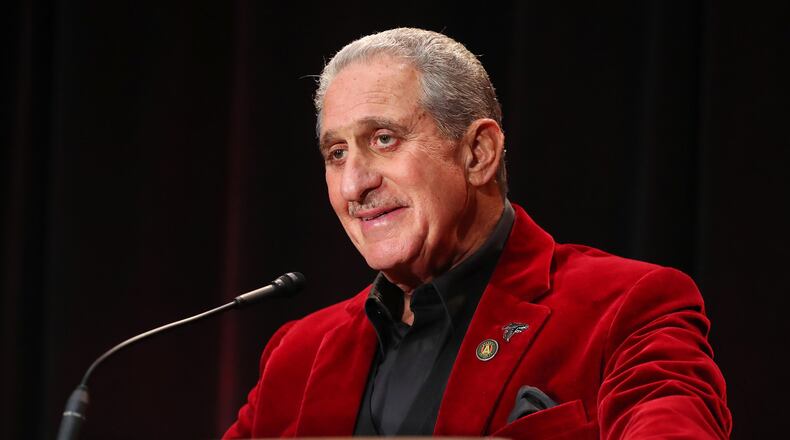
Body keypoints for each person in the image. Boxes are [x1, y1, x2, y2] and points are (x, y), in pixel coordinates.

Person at [224, 28, 731, 439]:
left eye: (384, 139)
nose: (355, 184)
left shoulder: (625, 307)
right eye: (337, 154)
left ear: (478, 153)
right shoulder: (298, 353)